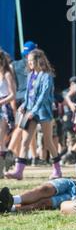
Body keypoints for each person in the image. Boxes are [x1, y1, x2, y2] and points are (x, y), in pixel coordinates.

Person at [5, 49, 62, 180]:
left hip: (43, 112)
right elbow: (28, 95)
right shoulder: (30, 75)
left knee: (48, 141)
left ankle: (57, 170)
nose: (29, 63)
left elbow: (44, 96)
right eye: (28, 61)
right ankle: (18, 172)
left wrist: (33, 111)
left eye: (31, 61)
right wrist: (23, 106)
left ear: (39, 60)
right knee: (25, 141)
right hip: (30, 111)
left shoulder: (46, 76)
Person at [0, 50, 16, 178]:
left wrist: (1, 102)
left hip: (4, 107)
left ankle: (2, 168)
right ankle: (8, 158)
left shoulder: (7, 74)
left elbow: (13, 94)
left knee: (1, 138)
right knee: (1, 141)